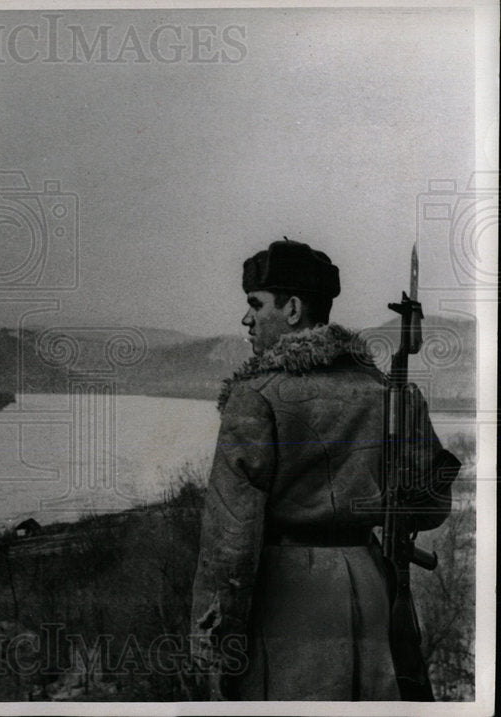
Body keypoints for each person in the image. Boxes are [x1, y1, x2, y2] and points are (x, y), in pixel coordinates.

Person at [189, 239, 462, 700]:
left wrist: (214, 646)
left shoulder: (255, 396)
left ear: (293, 309)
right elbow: (432, 506)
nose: (246, 319)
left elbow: (229, 541)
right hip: (374, 591)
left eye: (256, 305)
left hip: (287, 607)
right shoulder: (385, 391)